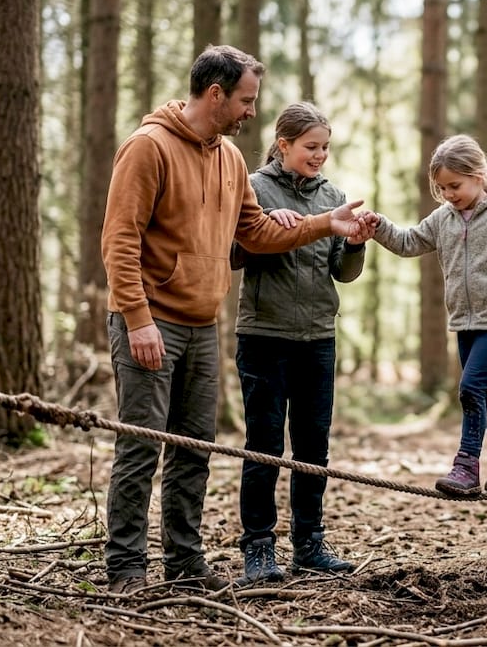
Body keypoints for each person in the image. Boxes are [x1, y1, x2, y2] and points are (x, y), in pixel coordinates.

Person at [101, 46, 364, 595]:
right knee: (141, 444)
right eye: (246, 100)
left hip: (203, 325)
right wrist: (137, 318)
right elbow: (119, 239)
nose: (251, 111)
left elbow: (257, 233)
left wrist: (324, 224)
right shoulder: (149, 148)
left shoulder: (229, 158)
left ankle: (184, 561)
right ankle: (126, 567)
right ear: (216, 93)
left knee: (196, 446)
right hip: (151, 322)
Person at [364, 134, 487, 496]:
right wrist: (380, 227)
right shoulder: (443, 218)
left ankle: (466, 467)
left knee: (470, 387)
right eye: (442, 188)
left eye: (454, 185)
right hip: (464, 319)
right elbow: (409, 243)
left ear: (480, 175)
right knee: (484, 393)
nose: (449, 194)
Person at [232, 102, 371, 584]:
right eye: (311, 147)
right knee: (264, 445)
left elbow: (344, 273)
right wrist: (272, 229)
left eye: (325, 148)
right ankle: (259, 547)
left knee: (314, 446)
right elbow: (233, 253)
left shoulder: (334, 195)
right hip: (264, 335)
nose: (320, 155)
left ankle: (309, 544)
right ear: (283, 143)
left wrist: (355, 243)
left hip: (318, 337)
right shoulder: (253, 187)